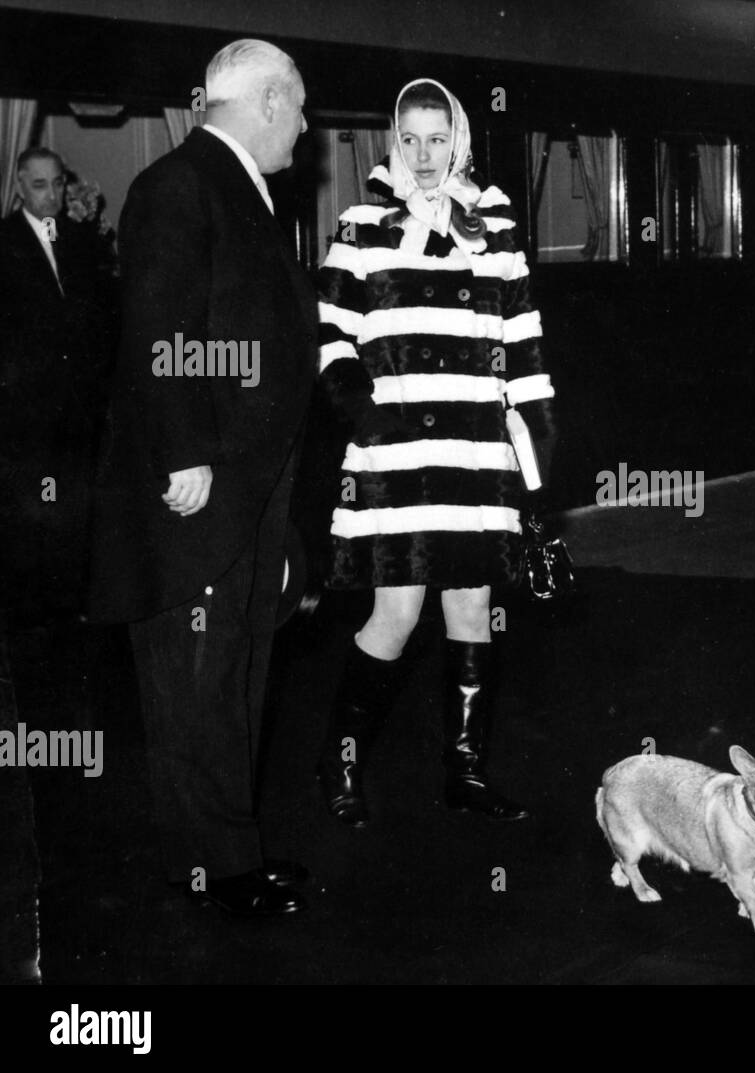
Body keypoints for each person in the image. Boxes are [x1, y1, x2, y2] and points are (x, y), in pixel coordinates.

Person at [86, 40, 318, 915]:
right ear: (265, 100)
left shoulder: (235, 187)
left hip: (248, 489)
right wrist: (186, 453)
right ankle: (212, 869)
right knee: (195, 681)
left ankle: (234, 849)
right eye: (298, 108)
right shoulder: (179, 185)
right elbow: (160, 323)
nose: (305, 125)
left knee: (233, 672)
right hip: (202, 488)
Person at [314, 78, 554, 826]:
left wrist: (537, 448)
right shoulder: (361, 224)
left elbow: (523, 342)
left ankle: (467, 776)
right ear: (393, 139)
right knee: (397, 610)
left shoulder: (498, 225)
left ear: (461, 141)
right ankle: (341, 765)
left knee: (474, 606)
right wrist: (363, 414)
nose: (424, 155)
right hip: (396, 457)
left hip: (477, 449)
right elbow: (328, 332)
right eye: (410, 138)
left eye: (438, 138)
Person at [0, 147, 113, 623]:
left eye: (57, 183)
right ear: (20, 187)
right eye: (39, 185)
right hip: (27, 415)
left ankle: (72, 604)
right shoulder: (4, 241)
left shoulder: (82, 240)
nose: (51, 194)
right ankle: (34, 609)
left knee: (76, 511)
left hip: (79, 410)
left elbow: (100, 320)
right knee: (35, 516)